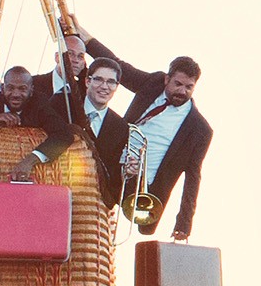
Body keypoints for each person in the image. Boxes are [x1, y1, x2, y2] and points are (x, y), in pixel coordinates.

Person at [83, 35, 210, 240]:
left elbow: (193, 178)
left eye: (189, 87)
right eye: (178, 84)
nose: (182, 91)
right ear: (167, 79)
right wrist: (86, 39)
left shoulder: (200, 129)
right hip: (110, 162)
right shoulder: (152, 84)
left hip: (141, 188)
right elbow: (120, 67)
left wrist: (184, 223)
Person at [22, 57, 129, 201]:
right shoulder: (61, 104)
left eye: (111, 82)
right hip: (49, 189)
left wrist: (127, 173)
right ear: (87, 81)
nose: (104, 86)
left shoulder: (120, 127)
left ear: (117, 86)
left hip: (88, 201)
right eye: (98, 79)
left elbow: (111, 175)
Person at [25, 34, 91, 134]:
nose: (75, 60)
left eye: (80, 56)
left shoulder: (84, 94)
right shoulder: (33, 83)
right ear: (57, 57)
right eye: (70, 54)